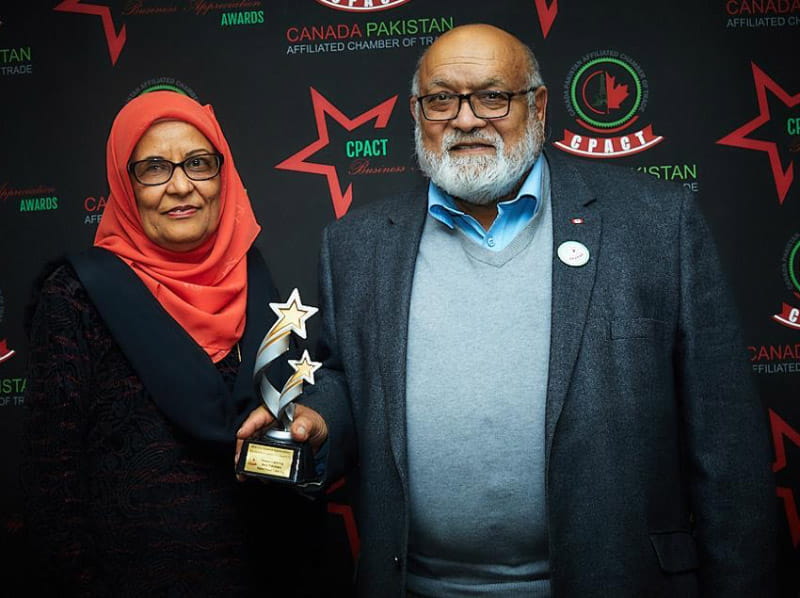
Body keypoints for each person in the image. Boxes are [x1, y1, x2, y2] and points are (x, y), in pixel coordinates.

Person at [236, 24, 776, 597]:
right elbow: (350, 379)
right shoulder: (357, 244)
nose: (466, 119)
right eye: (441, 99)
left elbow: (727, 447)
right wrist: (319, 420)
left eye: (492, 97)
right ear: (417, 113)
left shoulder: (655, 223)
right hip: (419, 587)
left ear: (537, 106)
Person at [22, 91, 322, 596]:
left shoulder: (254, 278)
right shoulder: (78, 296)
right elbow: (52, 486)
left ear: (223, 174)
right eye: (154, 168)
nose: (181, 186)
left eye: (199, 163)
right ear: (125, 183)